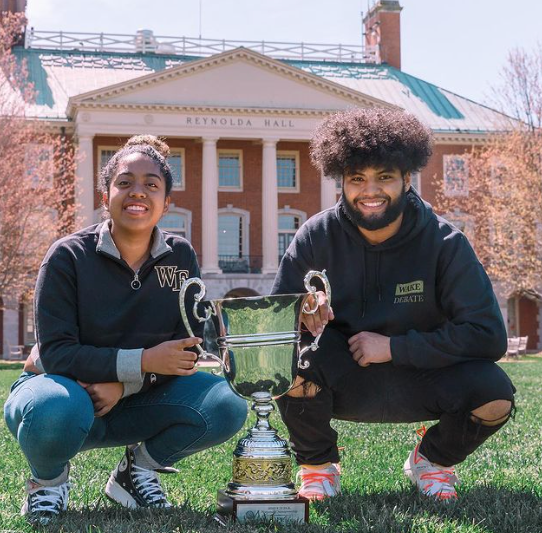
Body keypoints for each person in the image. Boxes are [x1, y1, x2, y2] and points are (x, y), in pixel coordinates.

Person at [272, 108, 515, 502]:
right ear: (342, 182)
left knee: (495, 393)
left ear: (406, 178)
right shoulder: (315, 236)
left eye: (384, 176)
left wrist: (394, 348)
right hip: (342, 378)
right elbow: (276, 326)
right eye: (357, 179)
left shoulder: (445, 243)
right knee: (289, 364)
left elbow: (488, 336)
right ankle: (318, 468)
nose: (370, 190)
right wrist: (302, 315)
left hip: (424, 376)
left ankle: (432, 460)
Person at [3, 136, 247, 525]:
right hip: (66, 396)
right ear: (106, 195)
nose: (138, 192)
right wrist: (145, 361)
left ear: (167, 203)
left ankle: (137, 471)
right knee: (52, 408)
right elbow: (57, 354)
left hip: (136, 400)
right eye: (125, 182)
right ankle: (48, 483)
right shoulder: (68, 256)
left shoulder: (181, 257)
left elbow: (186, 350)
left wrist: (126, 383)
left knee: (227, 403)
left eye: (152, 184)